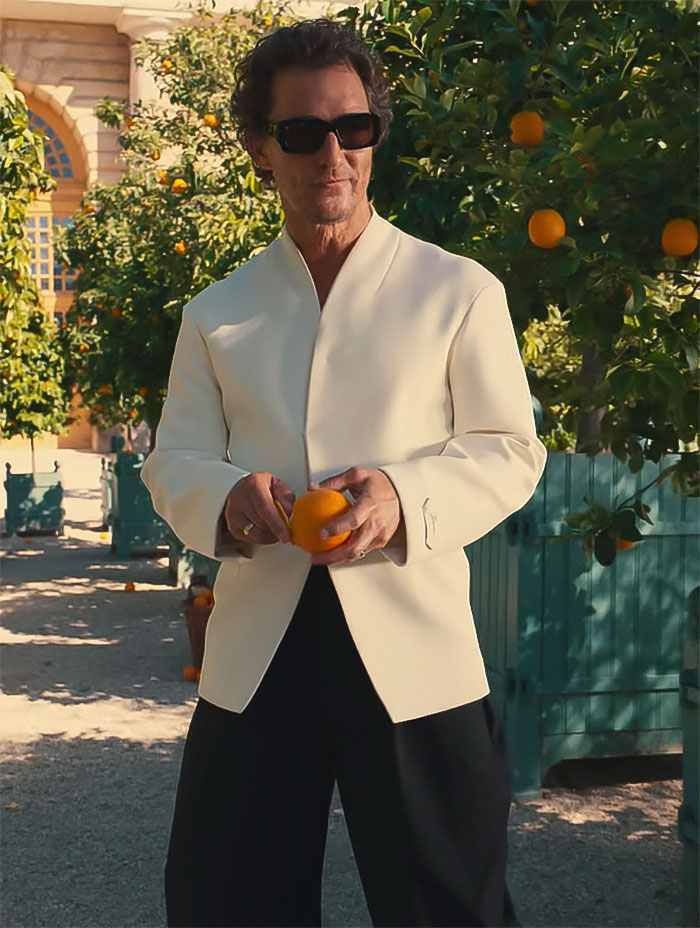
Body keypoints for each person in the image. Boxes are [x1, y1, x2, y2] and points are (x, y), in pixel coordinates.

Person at [141, 18, 547, 928]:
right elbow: (174, 459)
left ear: (373, 135)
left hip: (416, 655)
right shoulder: (216, 312)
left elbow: (509, 448)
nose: (333, 153)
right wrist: (227, 499)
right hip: (256, 659)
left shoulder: (459, 291)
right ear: (261, 147)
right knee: (223, 904)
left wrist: (405, 495)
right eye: (303, 132)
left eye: (352, 127)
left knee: (450, 909)